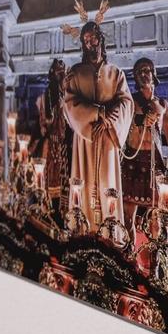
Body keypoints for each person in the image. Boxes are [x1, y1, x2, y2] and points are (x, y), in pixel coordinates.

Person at [62, 17, 133, 225]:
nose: (90, 43)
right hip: (86, 137)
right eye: (86, 40)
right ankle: (82, 228)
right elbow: (69, 102)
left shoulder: (115, 73)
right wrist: (97, 112)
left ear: (100, 39)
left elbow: (126, 102)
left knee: (107, 181)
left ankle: (109, 230)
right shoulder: (76, 72)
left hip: (108, 136)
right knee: (82, 182)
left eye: (93, 38)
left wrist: (110, 118)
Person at [121, 57, 168, 228]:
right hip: (132, 162)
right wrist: (140, 121)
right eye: (139, 72)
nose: (143, 75)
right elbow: (120, 127)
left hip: (154, 164)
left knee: (158, 216)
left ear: (153, 74)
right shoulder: (130, 101)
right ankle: (128, 251)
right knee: (128, 216)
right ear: (135, 78)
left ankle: (158, 253)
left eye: (147, 70)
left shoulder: (163, 105)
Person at [35, 58, 71, 198]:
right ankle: (48, 204)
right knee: (50, 174)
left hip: (64, 142)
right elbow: (46, 122)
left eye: (63, 72)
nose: (61, 74)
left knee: (65, 174)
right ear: (53, 73)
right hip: (51, 141)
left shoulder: (67, 93)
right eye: (58, 71)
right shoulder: (47, 96)